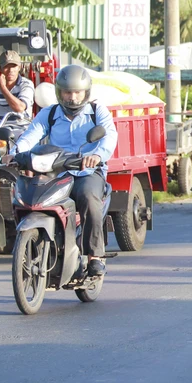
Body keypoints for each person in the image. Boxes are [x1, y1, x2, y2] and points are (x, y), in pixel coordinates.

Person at [11, 65, 118, 277]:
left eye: (77, 92)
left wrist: (97, 155)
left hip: (87, 172)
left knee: (88, 197)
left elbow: (109, 136)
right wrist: (14, 153)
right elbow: (30, 136)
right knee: (32, 197)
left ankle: (95, 256)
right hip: (56, 173)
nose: (72, 97)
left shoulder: (97, 112)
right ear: (59, 92)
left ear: (86, 92)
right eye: (68, 92)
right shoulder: (49, 113)